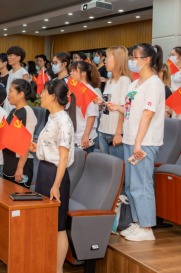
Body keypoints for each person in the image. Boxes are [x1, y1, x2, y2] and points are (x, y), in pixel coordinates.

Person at [108, 43, 165, 242]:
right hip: (130, 139)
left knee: (142, 185)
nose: (132, 61)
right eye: (131, 57)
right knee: (132, 185)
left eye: (135, 57)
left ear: (147, 60)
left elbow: (147, 115)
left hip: (144, 142)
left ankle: (147, 227)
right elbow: (131, 110)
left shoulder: (154, 84)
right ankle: (137, 221)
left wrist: (138, 143)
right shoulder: (135, 84)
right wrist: (118, 108)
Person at [28, 78, 76, 273]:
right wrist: (37, 148)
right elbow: (53, 147)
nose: (40, 95)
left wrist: (56, 185)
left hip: (56, 175)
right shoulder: (52, 117)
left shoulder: (63, 120)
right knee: (46, 223)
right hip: (45, 171)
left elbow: (63, 158)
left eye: (44, 92)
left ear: (53, 96)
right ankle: (47, 266)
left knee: (58, 226)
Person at [96, 46, 131, 159]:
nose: (105, 61)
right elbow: (112, 102)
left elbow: (124, 108)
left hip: (114, 132)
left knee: (116, 166)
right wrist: (102, 102)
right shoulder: (110, 80)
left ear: (117, 60)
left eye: (108, 57)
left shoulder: (124, 80)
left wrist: (118, 133)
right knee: (105, 165)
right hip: (103, 130)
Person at [3, 80, 38, 188]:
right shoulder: (12, 111)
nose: (8, 94)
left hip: (20, 164)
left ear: (20, 94)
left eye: (11, 91)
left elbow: (27, 142)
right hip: (8, 161)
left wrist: (19, 168)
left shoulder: (27, 112)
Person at [69, 61, 100, 154]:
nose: (71, 73)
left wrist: (86, 136)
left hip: (84, 138)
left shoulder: (89, 91)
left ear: (83, 73)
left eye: (74, 70)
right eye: (70, 71)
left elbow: (92, 115)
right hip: (74, 135)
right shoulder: (74, 89)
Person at [5, 46, 30, 111]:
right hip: (7, 104)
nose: (8, 57)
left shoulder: (23, 73)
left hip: (16, 107)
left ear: (18, 58)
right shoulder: (10, 72)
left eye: (10, 55)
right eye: (8, 55)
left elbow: (24, 93)